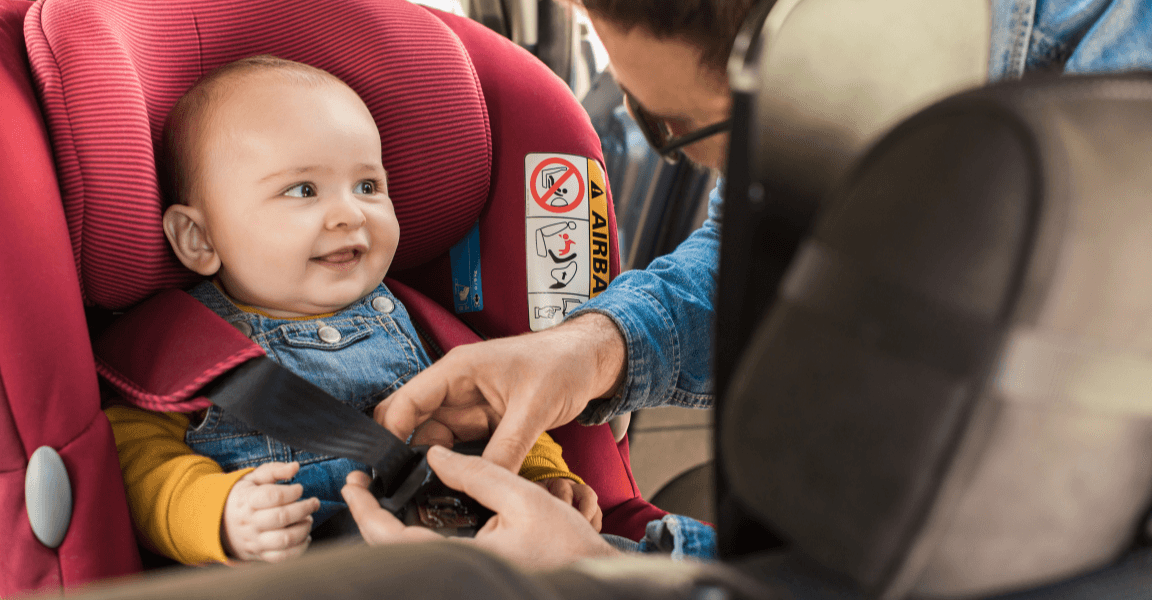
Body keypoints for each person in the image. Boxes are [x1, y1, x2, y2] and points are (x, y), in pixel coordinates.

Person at [349, 0, 1152, 567]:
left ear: (819, 38)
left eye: (680, 129)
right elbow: (768, 236)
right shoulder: (828, 80)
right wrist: (592, 349)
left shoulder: (1118, 138)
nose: (680, 154)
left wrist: (611, 583)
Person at [103, 55, 600, 566]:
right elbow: (139, 463)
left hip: (474, 552)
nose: (349, 214)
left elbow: (496, 408)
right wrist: (222, 515)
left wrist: (543, 475)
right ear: (199, 238)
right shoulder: (182, 351)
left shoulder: (419, 322)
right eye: (302, 190)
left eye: (368, 186)